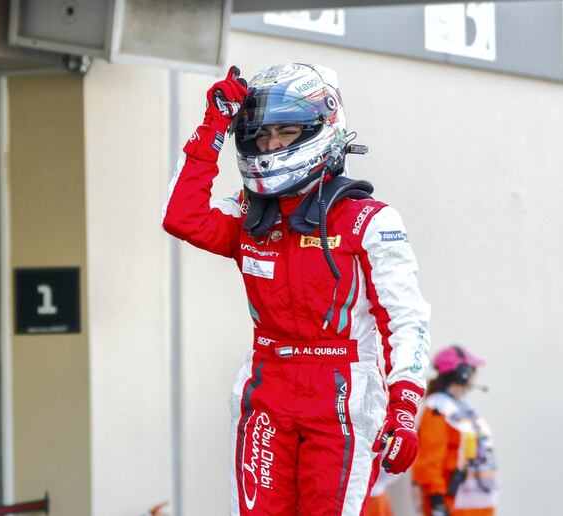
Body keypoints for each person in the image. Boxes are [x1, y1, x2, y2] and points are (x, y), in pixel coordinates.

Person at [162, 63, 431, 515]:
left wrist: (403, 407)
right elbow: (181, 216)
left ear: (321, 126)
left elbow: (406, 319)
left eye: (285, 132)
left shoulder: (371, 220)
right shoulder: (249, 211)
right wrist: (214, 126)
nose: (271, 146)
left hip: (344, 392)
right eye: (261, 136)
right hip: (267, 386)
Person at [412, 346, 498, 516]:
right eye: (473, 370)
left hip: (476, 506)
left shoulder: (461, 408)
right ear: (463, 373)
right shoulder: (437, 409)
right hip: (454, 507)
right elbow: (429, 460)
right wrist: (437, 502)